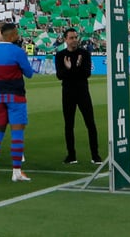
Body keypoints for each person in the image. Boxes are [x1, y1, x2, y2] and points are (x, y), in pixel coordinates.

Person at [0, 23, 34, 182]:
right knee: (17, 134)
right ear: (11, 35)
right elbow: (29, 73)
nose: (18, 35)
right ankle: (16, 171)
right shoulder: (18, 52)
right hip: (16, 97)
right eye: (17, 33)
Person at [55, 27, 102, 165]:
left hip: (82, 92)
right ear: (65, 40)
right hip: (68, 93)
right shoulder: (60, 55)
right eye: (71, 38)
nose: (74, 40)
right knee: (69, 125)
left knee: (90, 124)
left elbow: (86, 73)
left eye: (76, 37)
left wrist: (72, 69)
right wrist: (70, 68)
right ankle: (71, 155)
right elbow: (59, 75)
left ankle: (95, 155)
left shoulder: (84, 54)